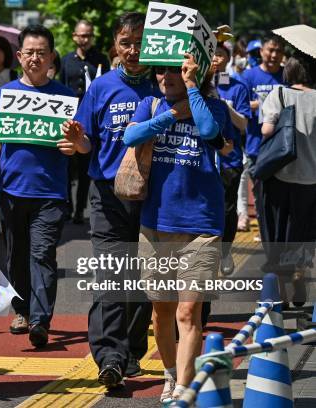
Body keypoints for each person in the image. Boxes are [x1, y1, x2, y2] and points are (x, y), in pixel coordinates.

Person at [124, 55, 226, 403]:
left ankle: (184, 387)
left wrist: (193, 87)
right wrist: (169, 115)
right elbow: (131, 136)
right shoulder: (149, 104)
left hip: (202, 225)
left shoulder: (212, 106)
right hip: (155, 226)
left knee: (188, 311)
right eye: (161, 69)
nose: (166, 75)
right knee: (161, 311)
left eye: (175, 70)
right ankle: (170, 374)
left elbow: (212, 133)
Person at [71, 12, 158, 387]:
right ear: (115, 47)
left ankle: (132, 350)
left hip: (154, 196)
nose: (134, 50)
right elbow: (87, 141)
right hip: (106, 196)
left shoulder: (164, 85)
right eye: (126, 42)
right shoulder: (101, 87)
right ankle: (109, 356)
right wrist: (78, 143)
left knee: (142, 279)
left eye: (141, 42)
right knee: (110, 274)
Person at [0, 24, 88, 348]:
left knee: (42, 254)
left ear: (51, 57)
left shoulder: (65, 97)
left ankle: (40, 320)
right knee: (16, 255)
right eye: (29, 52)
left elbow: (82, 142)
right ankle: (21, 309)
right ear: (19, 57)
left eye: (41, 53)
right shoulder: (3, 97)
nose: (35, 58)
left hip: (50, 193)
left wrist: (75, 145)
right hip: (10, 191)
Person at [260, 46, 316, 307]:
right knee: (303, 231)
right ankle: (299, 273)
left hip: (281, 174)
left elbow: (267, 130)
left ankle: (280, 289)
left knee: (278, 230)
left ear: (290, 69)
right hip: (311, 178)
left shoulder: (279, 94)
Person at [60, 20, 110, 224]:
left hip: (90, 120)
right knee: (66, 167)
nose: (84, 39)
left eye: (88, 35)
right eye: (81, 35)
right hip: (68, 118)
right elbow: (61, 87)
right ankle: (68, 207)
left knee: (83, 169)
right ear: (74, 36)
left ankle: (80, 209)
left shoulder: (101, 59)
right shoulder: (65, 61)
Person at [211, 42, 251, 275]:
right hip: (204, 158)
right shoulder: (196, 84)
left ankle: (225, 253)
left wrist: (227, 108)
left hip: (230, 158)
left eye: (220, 54)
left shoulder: (237, 87)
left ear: (228, 59)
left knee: (227, 208)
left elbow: (244, 124)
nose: (216, 58)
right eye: (212, 54)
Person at [240, 35, 285, 237]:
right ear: (261, 52)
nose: (274, 55)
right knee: (259, 193)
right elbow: (240, 107)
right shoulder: (249, 77)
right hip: (255, 145)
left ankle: (277, 234)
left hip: (282, 146)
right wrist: (258, 104)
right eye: (270, 50)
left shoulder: (288, 75)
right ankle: (265, 231)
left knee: (280, 194)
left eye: (278, 51)